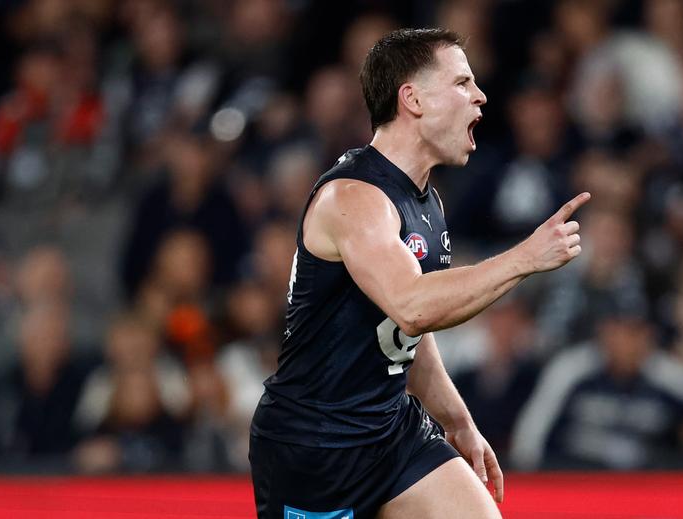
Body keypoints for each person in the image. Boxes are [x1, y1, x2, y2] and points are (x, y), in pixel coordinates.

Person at [249, 28, 590, 519]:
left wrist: (459, 421)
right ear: (412, 99)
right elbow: (412, 306)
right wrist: (525, 258)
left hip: (391, 431)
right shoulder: (354, 198)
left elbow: (408, 333)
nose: (480, 95)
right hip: (316, 446)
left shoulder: (426, 200)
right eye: (461, 83)